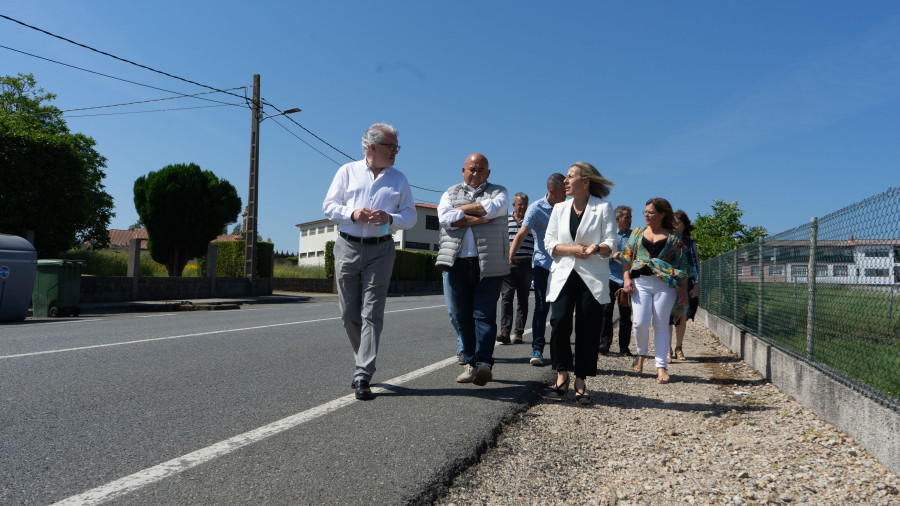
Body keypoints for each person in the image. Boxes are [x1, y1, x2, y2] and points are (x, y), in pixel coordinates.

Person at [322, 123, 416, 400]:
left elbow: (410, 216)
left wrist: (390, 218)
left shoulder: (399, 179)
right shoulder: (346, 172)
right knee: (349, 313)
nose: (396, 152)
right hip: (347, 246)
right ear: (372, 147)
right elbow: (328, 206)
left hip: (381, 250)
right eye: (391, 147)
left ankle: (363, 372)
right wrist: (352, 214)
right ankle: (362, 360)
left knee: (371, 313)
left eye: (397, 147)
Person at [544, 162, 616, 404]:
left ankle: (581, 380)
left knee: (588, 326)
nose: (565, 181)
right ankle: (562, 374)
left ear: (585, 181)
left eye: (570, 176)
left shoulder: (603, 207)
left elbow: (611, 243)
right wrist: (572, 249)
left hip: (592, 275)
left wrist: (597, 248)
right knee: (560, 321)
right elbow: (550, 243)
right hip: (564, 273)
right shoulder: (559, 209)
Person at [436, 153, 509, 386]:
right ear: (463, 170)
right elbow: (445, 218)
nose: (475, 173)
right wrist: (478, 216)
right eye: (471, 169)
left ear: (488, 173)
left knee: (484, 315)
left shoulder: (500, 192)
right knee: (461, 316)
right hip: (456, 262)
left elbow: (494, 208)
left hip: (488, 264)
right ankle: (470, 362)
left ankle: (484, 363)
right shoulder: (449, 192)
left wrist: (462, 213)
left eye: (480, 170)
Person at [620, 198, 691, 384]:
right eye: (645, 211)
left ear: (662, 214)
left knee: (660, 324)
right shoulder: (637, 232)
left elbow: (682, 264)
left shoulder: (674, 237)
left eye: (651, 212)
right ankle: (641, 354)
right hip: (640, 282)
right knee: (640, 322)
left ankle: (661, 366)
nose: (646, 215)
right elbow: (626, 256)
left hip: (665, 284)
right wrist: (626, 278)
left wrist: (684, 289)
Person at [509, 173, 566, 366]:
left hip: (564, 266)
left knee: (561, 312)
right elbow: (521, 234)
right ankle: (537, 349)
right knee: (542, 307)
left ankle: (561, 353)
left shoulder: (568, 208)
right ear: (552, 191)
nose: (567, 193)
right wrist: (509, 259)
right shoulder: (536, 208)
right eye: (563, 190)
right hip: (542, 264)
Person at [497, 192, 533, 346]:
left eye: (525, 204)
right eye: (520, 204)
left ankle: (518, 333)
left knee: (523, 299)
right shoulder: (505, 221)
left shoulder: (530, 221)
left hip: (526, 264)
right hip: (508, 265)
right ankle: (505, 331)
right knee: (506, 297)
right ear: (514, 205)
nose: (523, 207)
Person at [600, 205, 634, 356]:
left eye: (630, 217)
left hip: (626, 280)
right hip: (610, 278)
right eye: (627, 217)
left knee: (625, 315)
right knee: (606, 312)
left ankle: (624, 347)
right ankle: (604, 344)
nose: (630, 220)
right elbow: (599, 253)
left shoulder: (634, 236)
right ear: (617, 219)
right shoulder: (609, 235)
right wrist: (611, 255)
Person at [668, 209, 700, 361]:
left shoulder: (690, 243)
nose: (675, 226)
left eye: (678, 223)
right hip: (669, 283)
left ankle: (679, 348)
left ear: (684, 225)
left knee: (682, 317)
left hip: (686, 284)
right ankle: (667, 349)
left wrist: (696, 285)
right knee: (667, 316)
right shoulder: (667, 240)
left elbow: (695, 265)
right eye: (673, 223)